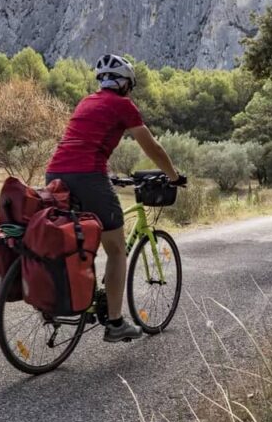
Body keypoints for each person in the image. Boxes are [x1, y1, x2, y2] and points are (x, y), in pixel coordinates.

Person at [46, 54, 186, 342]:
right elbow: (152, 147)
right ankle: (115, 322)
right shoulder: (123, 105)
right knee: (117, 249)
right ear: (124, 84)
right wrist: (173, 176)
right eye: (130, 86)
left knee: (79, 239)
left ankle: (74, 297)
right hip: (88, 175)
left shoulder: (86, 102)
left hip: (55, 174)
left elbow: (82, 143)